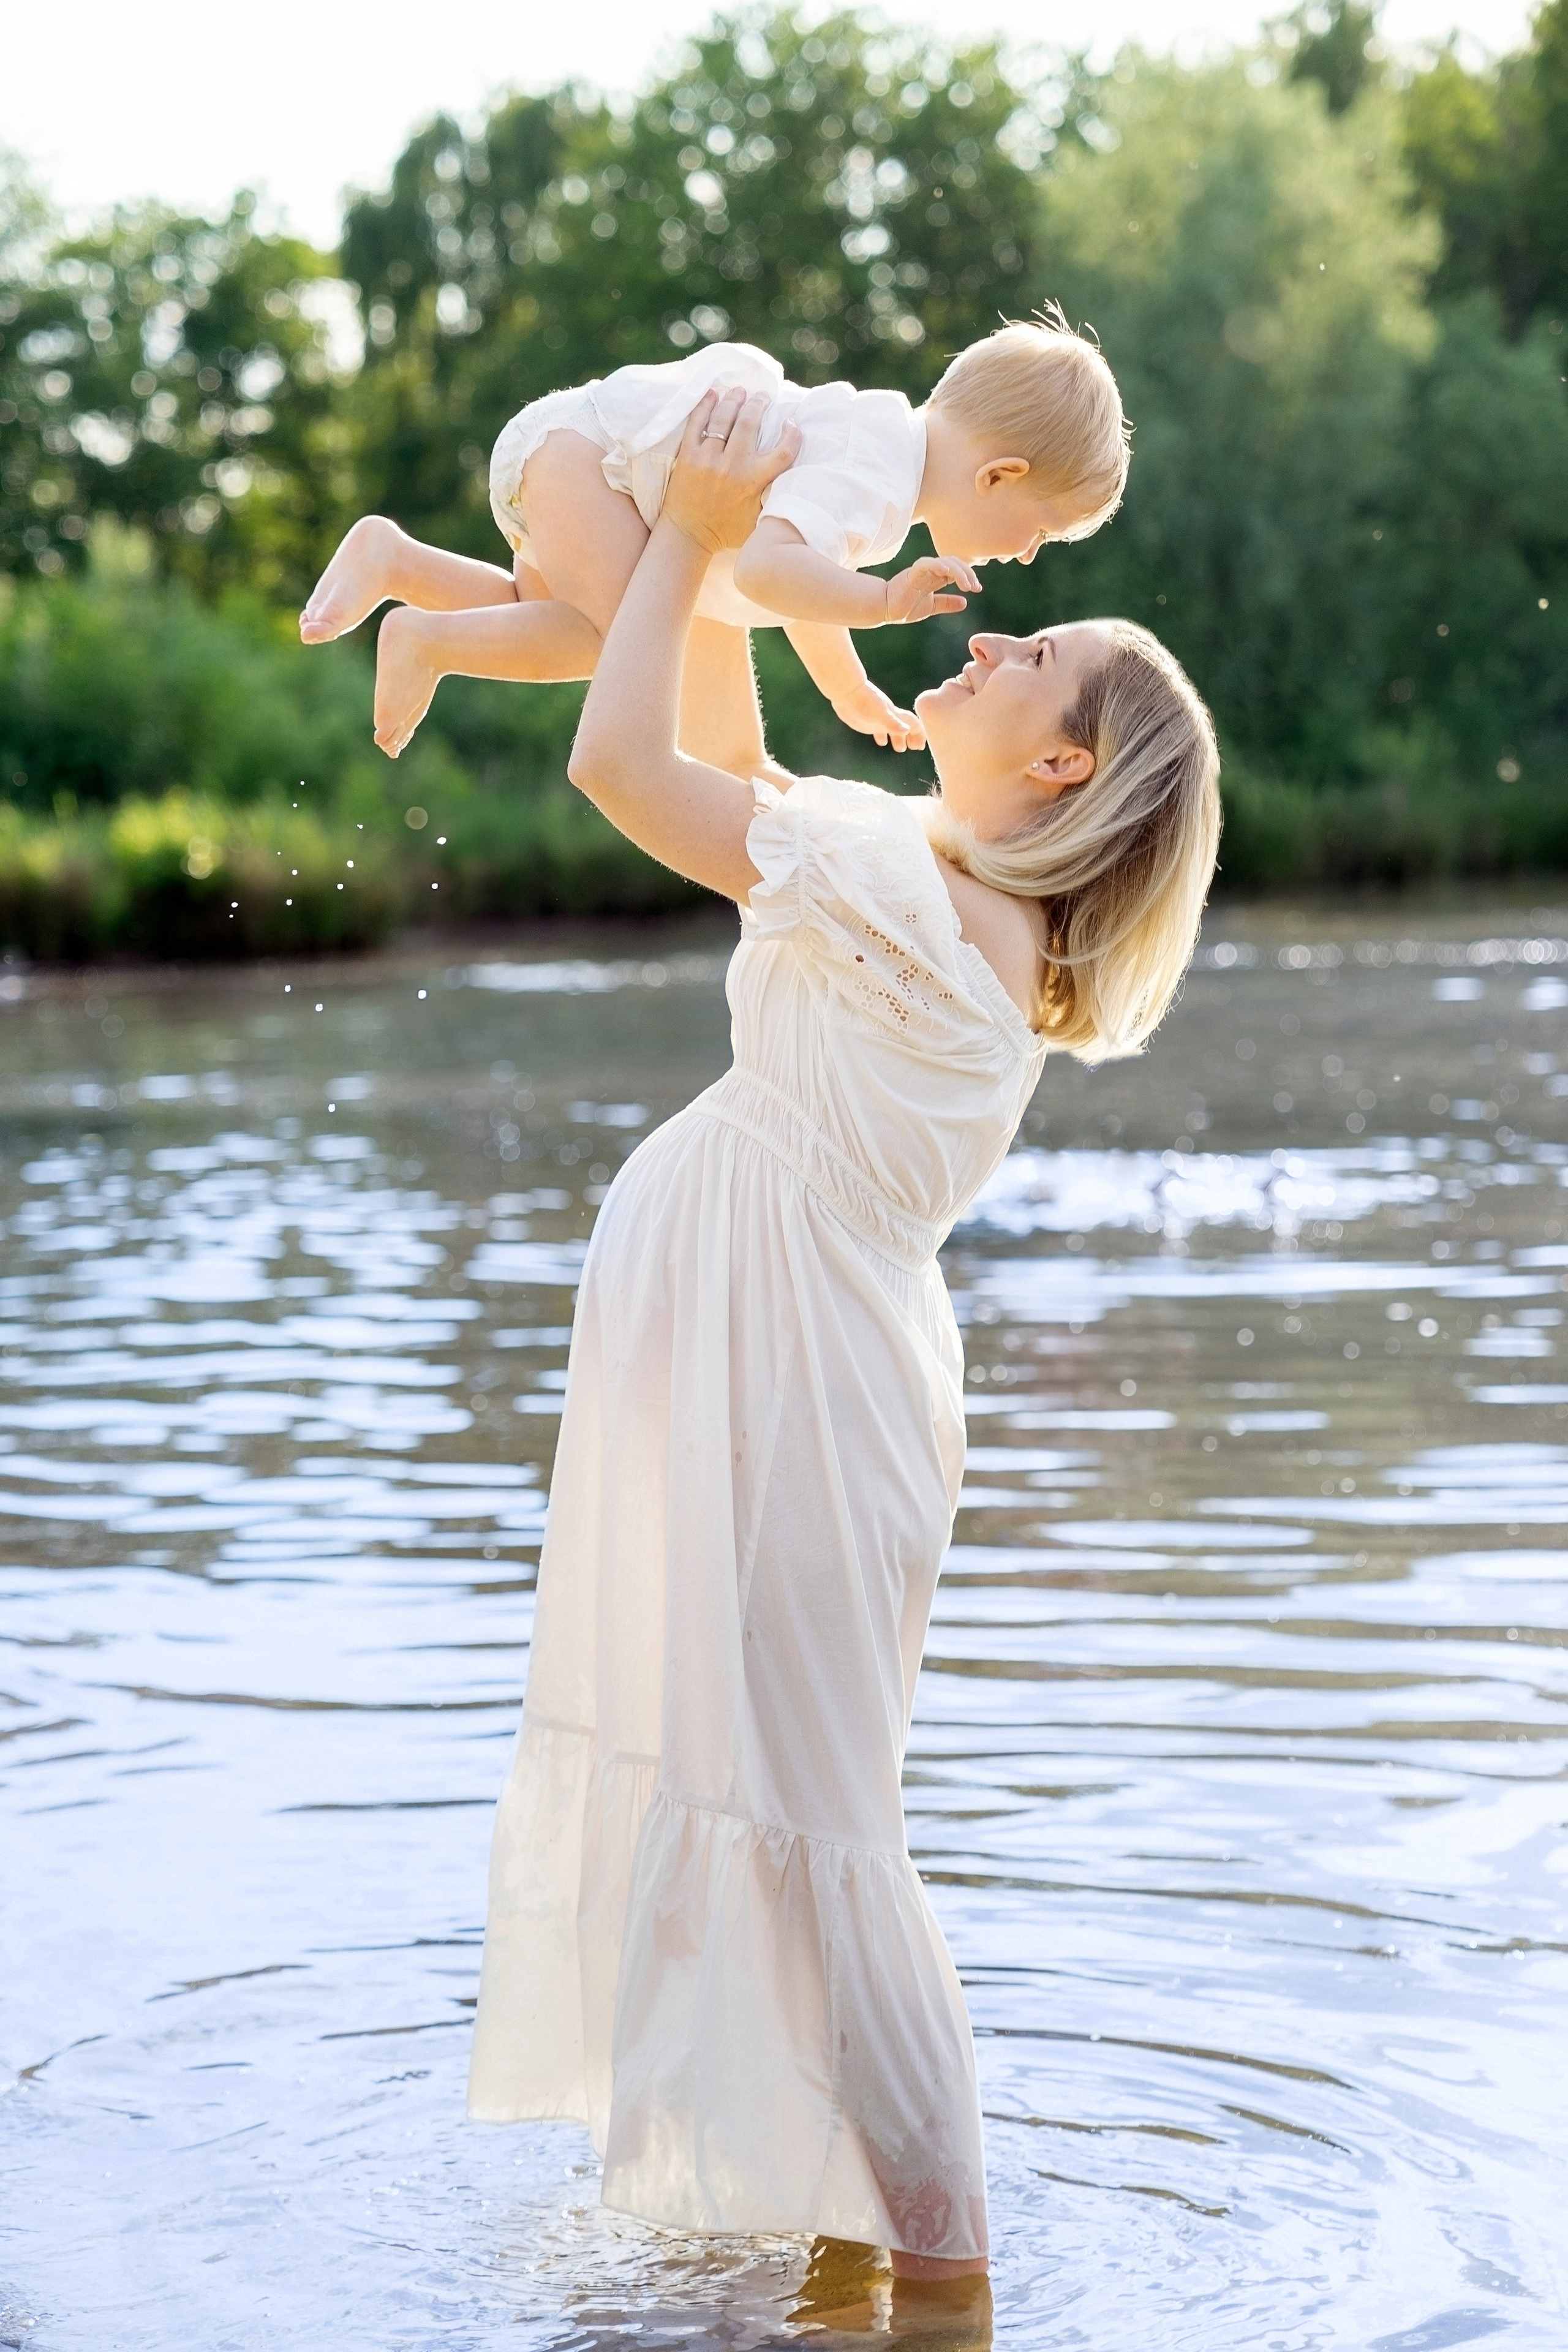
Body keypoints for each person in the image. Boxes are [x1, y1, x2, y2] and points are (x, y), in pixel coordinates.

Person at [465, 387, 1219, 2323]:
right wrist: (704, 536)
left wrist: (708, 533)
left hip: (794, 1364)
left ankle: (949, 2282)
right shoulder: (940, 906)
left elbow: (626, 760)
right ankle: (847, 2246)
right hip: (790, 1350)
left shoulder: (909, 898)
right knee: (798, 1815)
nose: (980, 637)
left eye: (1027, 651)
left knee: (827, 1835)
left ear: (1060, 766)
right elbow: (716, 740)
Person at [298, 310, 1129, 762]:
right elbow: (771, 574)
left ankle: (395, 559)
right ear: (1000, 477)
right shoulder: (876, 479)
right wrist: (878, 602)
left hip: (577, 454)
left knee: (534, 610)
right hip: (591, 465)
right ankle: (424, 641)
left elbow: (803, 589)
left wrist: (848, 691)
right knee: (613, 644)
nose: (1025, 554)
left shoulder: (877, 447)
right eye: (1042, 535)